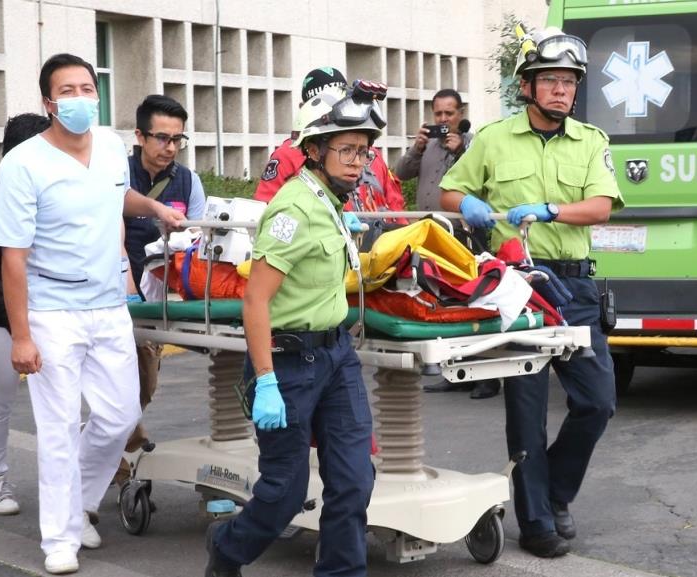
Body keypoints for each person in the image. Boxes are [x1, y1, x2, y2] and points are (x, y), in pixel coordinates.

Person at [0, 53, 185, 575]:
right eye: (68, 91)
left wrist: (157, 208)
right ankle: (62, 534)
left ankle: (76, 500)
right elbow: (12, 255)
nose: (80, 98)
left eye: (87, 87)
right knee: (56, 427)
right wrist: (22, 336)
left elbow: (116, 196)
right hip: (51, 311)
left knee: (120, 416)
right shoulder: (23, 163)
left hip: (107, 308)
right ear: (49, 103)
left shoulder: (106, 149)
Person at [439, 26, 623, 558]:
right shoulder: (494, 139)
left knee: (597, 402)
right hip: (514, 286)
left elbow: (602, 207)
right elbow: (454, 190)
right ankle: (537, 518)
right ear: (527, 86)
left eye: (569, 82)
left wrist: (550, 211)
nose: (561, 91)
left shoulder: (592, 141)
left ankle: (556, 492)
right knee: (526, 409)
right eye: (551, 81)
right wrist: (465, 205)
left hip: (575, 286)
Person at [204, 83, 378, 577]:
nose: (356, 161)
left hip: (336, 355)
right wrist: (266, 382)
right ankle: (228, 547)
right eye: (345, 149)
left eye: (363, 151)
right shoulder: (293, 210)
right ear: (315, 151)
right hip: (287, 362)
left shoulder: (330, 203)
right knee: (285, 491)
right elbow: (255, 298)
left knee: (354, 480)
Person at [114, 94, 207, 486]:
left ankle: (114, 445)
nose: (170, 147)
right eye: (162, 138)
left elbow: (203, 240)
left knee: (143, 384)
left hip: (156, 306)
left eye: (177, 140)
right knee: (117, 389)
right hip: (112, 298)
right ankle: (115, 460)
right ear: (139, 136)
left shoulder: (188, 182)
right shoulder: (117, 175)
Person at [393, 89, 499, 398]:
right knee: (441, 299)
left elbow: (479, 182)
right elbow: (400, 173)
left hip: (462, 231)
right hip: (430, 231)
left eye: (448, 114)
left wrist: (461, 150)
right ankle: (455, 372)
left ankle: (486, 376)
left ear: (461, 114)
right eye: (437, 114)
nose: (442, 120)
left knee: (472, 299)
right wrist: (417, 148)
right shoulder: (429, 145)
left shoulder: (474, 145)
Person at [0, 113, 51, 516]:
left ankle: (70, 485)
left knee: (61, 406)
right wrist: (22, 328)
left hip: (48, 316)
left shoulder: (48, 191)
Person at [254, 66, 405, 221]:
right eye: (346, 150)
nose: (357, 161)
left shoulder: (372, 153)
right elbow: (266, 210)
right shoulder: (287, 154)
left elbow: (396, 207)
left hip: (377, 241)